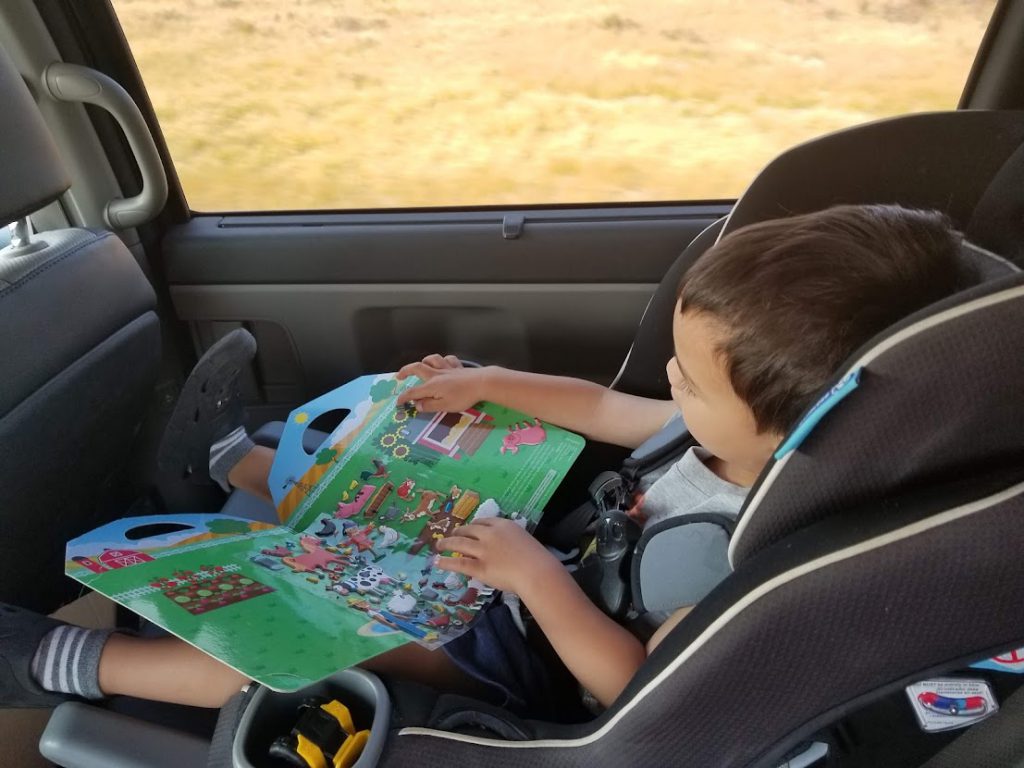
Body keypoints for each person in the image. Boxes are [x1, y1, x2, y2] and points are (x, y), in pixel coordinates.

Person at [1, 205, 969, 715]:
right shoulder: (714, 434)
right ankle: (240, 470)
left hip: (517, 661)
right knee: (401, 487)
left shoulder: (746, 555)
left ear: (794, 427)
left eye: (690, 383)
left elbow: (634, 688)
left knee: (325, 649)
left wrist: (536, 579)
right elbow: (596, 405)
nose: (668, 384)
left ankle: (83, 662)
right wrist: (486, 383)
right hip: (531, 575)